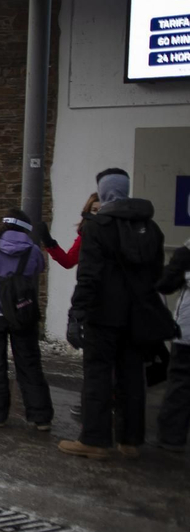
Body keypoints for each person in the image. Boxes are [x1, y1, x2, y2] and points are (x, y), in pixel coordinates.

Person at [59, 168, 165, 460]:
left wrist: (76, 313)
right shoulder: (151, 228)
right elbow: (156, 274)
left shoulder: (97, 226)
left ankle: (94, 439)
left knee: (98, 375)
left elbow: (89, 276)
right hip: (137, 317)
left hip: (103, 316)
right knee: (132, 376)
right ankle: (130, 440)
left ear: (104, 192)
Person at [0, 211, 54, 430]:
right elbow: (38, 271)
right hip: (23, 313)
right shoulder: (33, 251)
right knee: (30, 364)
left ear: (3, 227)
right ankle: (40, 417)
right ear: (25, 229)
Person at [155, 245, 190, 451]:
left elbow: (165, 284)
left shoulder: (187, 251)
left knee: (181, 382)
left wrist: (176, 264)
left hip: (188, 333)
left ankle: (171, 437)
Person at [42, 192, 99, 270]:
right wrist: (47, 240)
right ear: (88, 211)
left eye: (103, 210)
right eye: (94, 210)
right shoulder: (85, 236)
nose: (98, 215)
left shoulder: (118, 233)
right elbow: (68, 261)